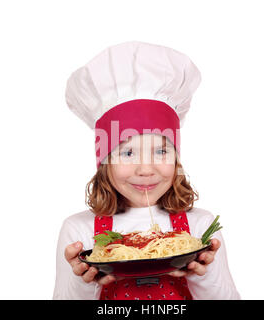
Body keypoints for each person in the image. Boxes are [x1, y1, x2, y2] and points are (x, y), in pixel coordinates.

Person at [53, 41, 240, 300]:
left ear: (177, 159)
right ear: (104, 162)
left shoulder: (199, 227)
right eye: (127, 153)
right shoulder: (79, 230)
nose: (145, 169)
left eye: (161, 151)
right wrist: (84, 281)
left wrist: (203, 274)